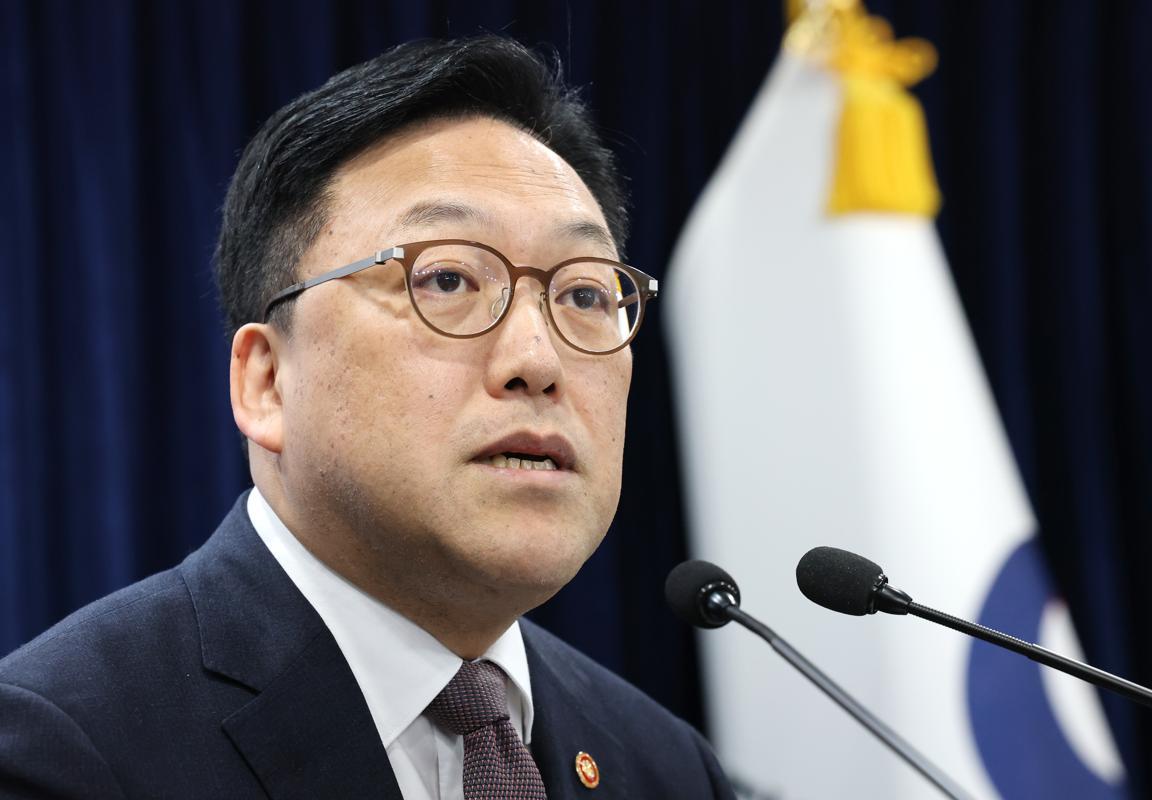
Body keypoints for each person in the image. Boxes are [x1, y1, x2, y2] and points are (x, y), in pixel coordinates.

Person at [0, 36, 734, 799]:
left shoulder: (669, 768)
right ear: (267, 381)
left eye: (584, 295)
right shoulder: (59, 754)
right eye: (447, 279)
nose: (536, 359)